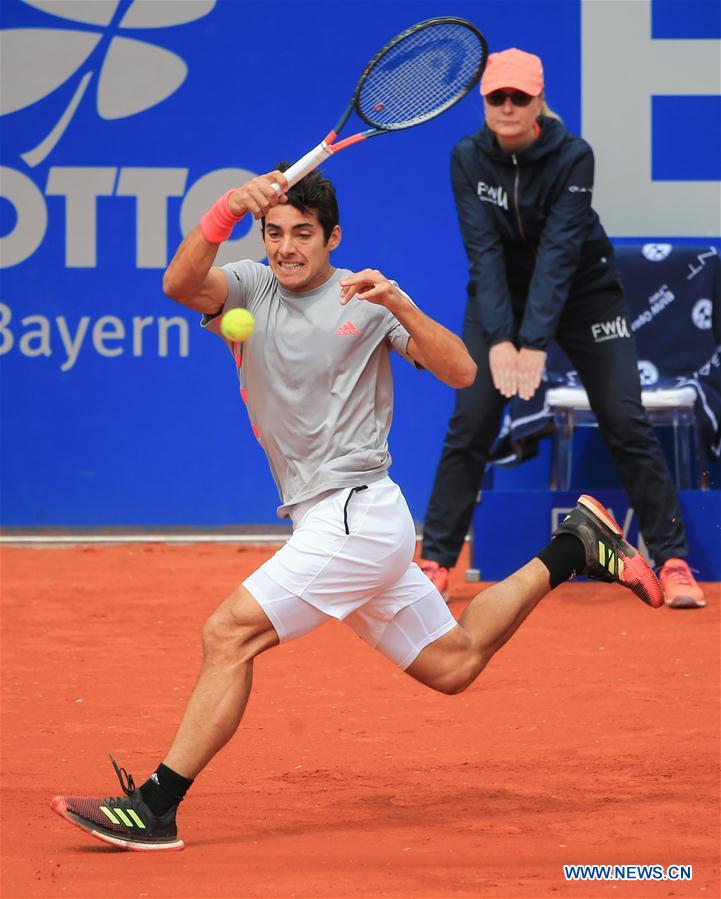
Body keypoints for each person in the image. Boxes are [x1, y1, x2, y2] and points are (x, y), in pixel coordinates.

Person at [50, 165, 664, 851]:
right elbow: (177, 284)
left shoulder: (363, 301)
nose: (286, 247)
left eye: (302, 235)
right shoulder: (249, 284)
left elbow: (462, 372)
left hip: (358, 515)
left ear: (332, 237)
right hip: (332, 520)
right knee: (453, 662)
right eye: (274, 232)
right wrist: (225, 208)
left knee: (229, 633)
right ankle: (575, 546)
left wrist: (399, 304)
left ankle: (157, 805)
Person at [419, 48, 706, 610]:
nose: (506, 107)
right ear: (484, 102)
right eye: (495, 97)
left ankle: (673, 560)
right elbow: (483, 254)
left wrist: (533, 343)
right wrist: (503, 338)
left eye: (518, 97)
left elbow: (559, 250)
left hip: (585, 297)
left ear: (539, 102)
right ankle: (435, 561)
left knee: (625, 419)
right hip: (500, 301)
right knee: (471, 420)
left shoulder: (574, 156)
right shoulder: (466, 158)